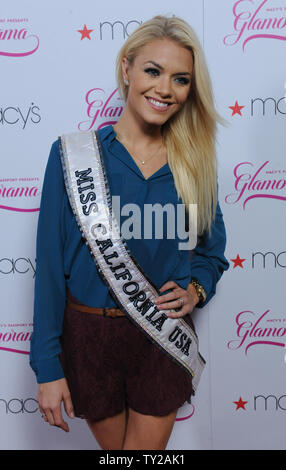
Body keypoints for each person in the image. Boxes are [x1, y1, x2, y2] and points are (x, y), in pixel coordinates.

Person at [29, 15, 229, 450]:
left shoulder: (194, 164)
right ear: (127, 68)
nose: (164, 89)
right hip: (89, 336)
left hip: (161, 335)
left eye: (180, 79)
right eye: (153, 71)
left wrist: (195, 289)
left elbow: (213, 254)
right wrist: (46, 365)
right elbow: (48, 267)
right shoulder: (72, 155)